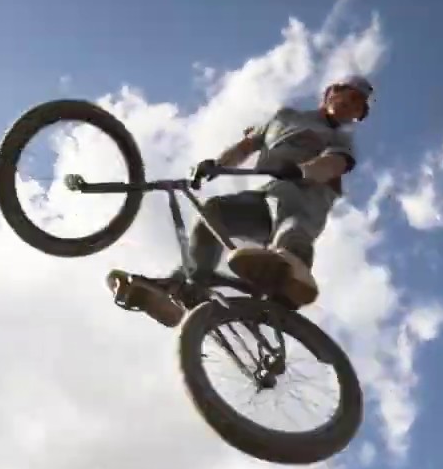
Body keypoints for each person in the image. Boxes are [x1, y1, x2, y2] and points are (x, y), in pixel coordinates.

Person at [106, 75, 373, 327]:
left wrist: (303, 171)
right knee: (214, 214)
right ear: (331, 93)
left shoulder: (340, 138)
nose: (350, 108)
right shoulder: (284, 117)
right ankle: (185, 289)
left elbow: (335, 163)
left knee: (290, 220)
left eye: (357, 109)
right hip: (266, 197)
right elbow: (246, 146)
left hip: (305, 198)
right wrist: (216, 165)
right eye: (349, 98)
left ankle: (293, 273)